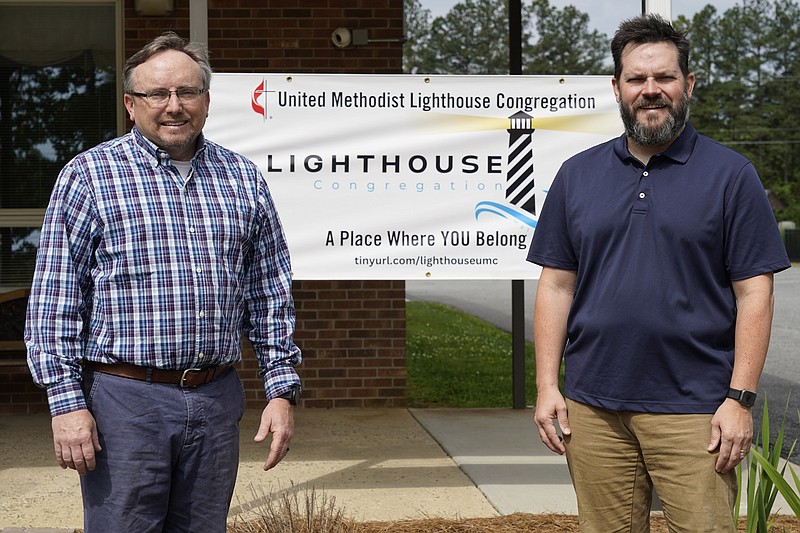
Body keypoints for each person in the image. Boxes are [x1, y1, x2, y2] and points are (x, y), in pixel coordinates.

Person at [25, 32, 302, 532]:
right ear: (131, 104)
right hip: (125, 403)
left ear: (207, 101)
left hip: (215, 400)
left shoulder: (243, 178)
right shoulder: (89, 176)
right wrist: (65, 404)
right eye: (158, 94)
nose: (174, 106)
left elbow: (269, 294)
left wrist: (280, 391)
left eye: (187, 92)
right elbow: (55, 303)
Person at [527, 14, 790, 532]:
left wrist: (740, 399)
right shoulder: (577, 174)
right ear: (617, 88)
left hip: (695, 411)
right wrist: (545, 387)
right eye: (637, 79)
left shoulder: (731, 176)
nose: (651, 91)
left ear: (687, 84)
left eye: (664, 78)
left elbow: (755, 294)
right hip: (593, 409)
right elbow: (556, 285)